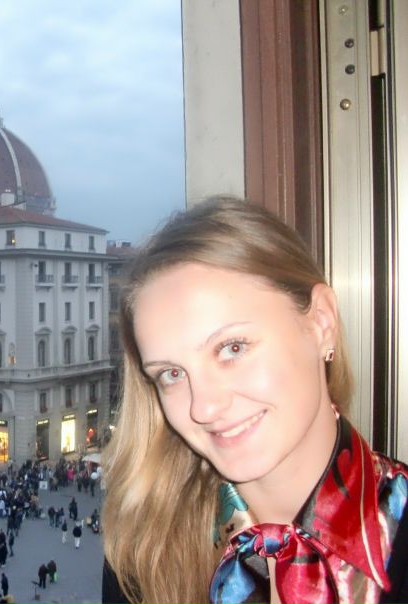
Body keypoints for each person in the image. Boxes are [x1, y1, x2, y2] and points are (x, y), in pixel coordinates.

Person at [101, 198, 408, 604]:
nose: (203, 408)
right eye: (171, 374)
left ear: (321, 322)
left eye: (233, 347)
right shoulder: (145, 557)